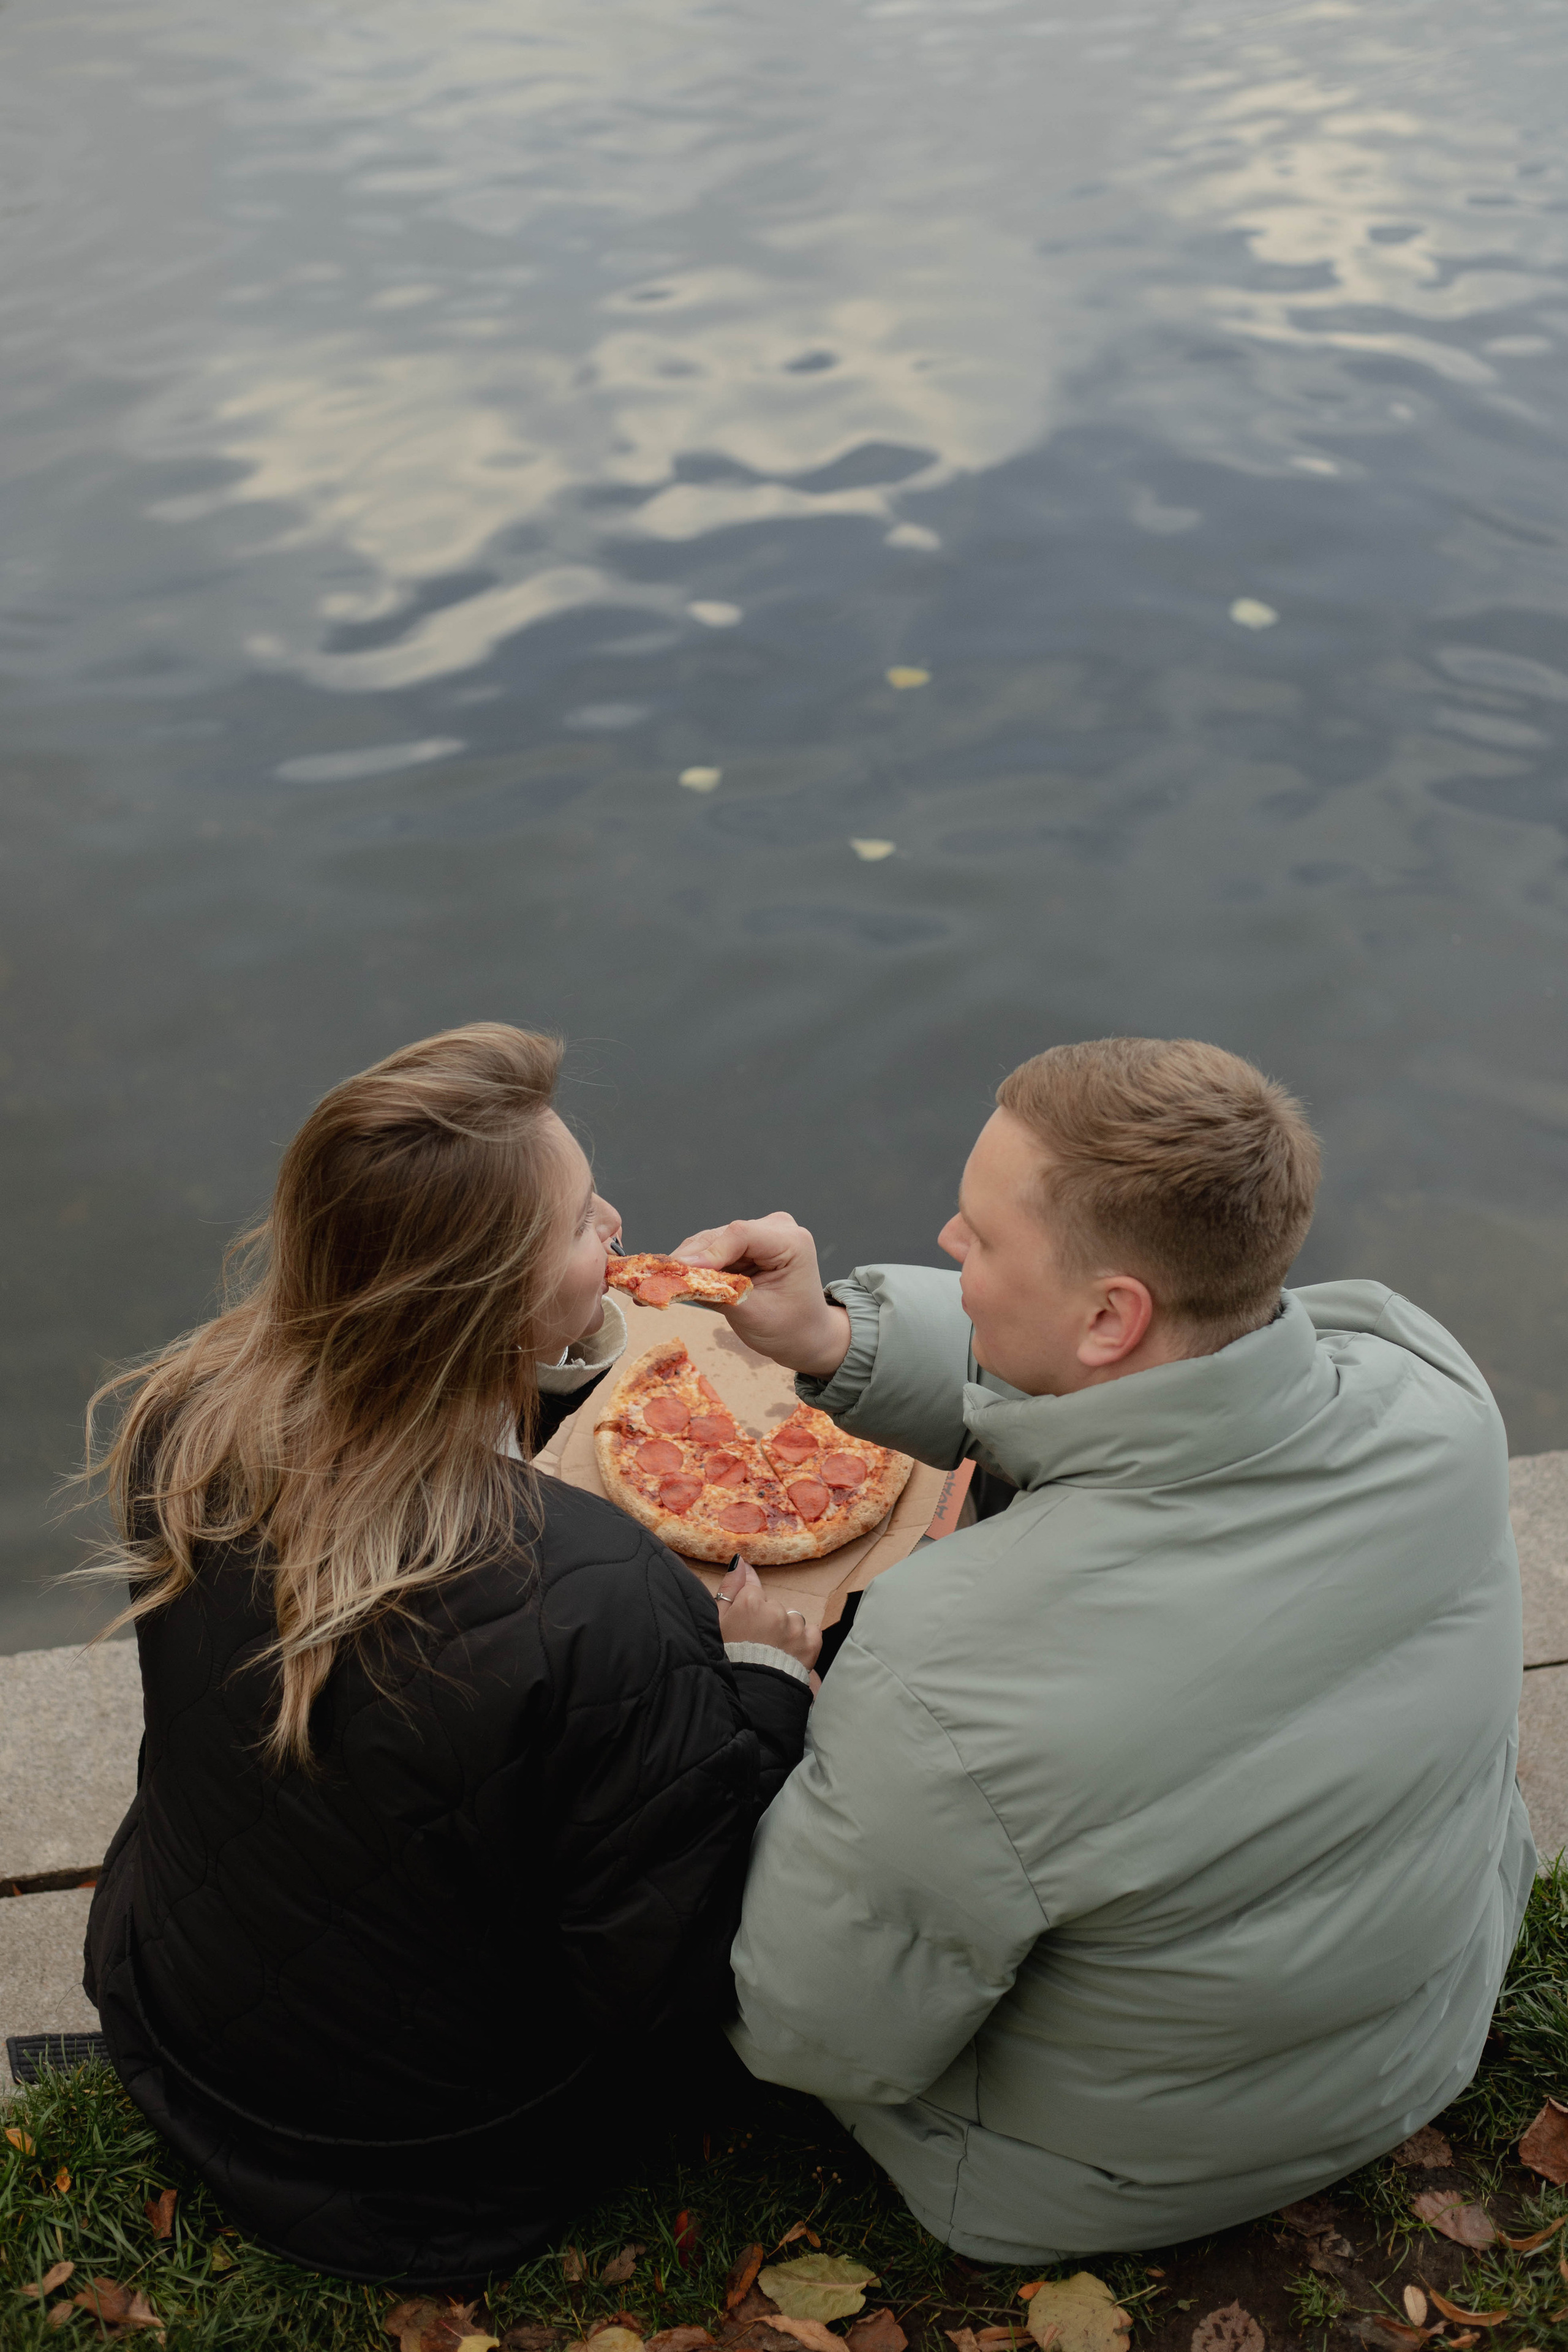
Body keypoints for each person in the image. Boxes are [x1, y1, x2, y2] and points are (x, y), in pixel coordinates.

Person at [676, 1036, 1534, 2263]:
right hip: (1417, 2035)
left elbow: (803, 2033)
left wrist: (761, 1703)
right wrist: (828, 1337)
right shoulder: (1424, 1387)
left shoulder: (955, 1663)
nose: (946, 1243)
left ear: (1108, 1314)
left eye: (976, 1235)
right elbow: (1171, 1393)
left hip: (1093, 2172)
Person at [78, 1023, 819, 2287]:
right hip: (441, 2158)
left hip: (174, 2017)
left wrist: (562, 1354)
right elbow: (665, 1978)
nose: (615, 1223)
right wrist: (761, 1683)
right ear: (496, 1308)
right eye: (584, 1223)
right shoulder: (602, 1601)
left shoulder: (183, 1419)